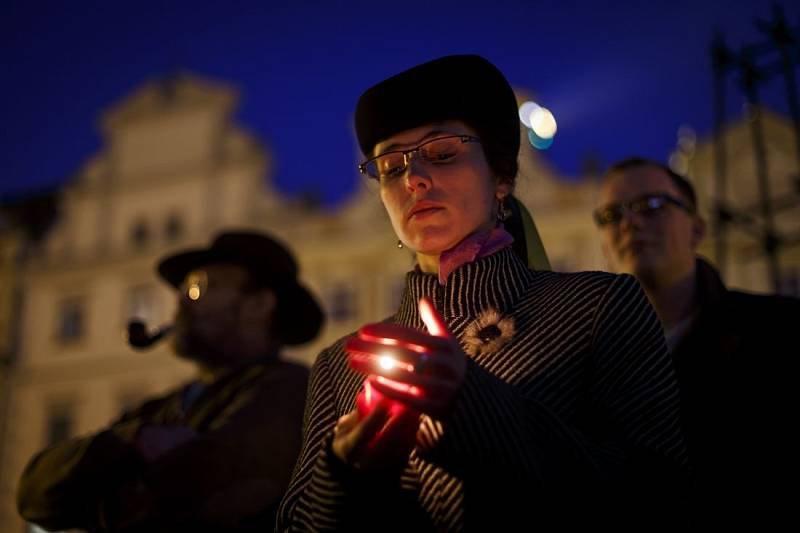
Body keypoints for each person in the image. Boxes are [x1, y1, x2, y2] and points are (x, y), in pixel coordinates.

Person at [276, 54, 689, 532]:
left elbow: (657, 496)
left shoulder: (599, 307)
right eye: (390, 166)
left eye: (444, 152)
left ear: (501, 177)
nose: (414, 179)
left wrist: (469, 404)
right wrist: (346, 473)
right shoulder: (336, 368)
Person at [17, 231, 324, 532]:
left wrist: (105, 491)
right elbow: (34, 496)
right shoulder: (159, 410)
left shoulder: (291, 389)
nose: (179, 304)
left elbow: (201, 492)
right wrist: (135, 439)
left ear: (259, 304)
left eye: (197, 289)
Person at [594, 157, 800, 529]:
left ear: (697, 228)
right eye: (612, 215)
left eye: (652, 206)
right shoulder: (588, 367)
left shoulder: (781, 332)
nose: (630, 222)